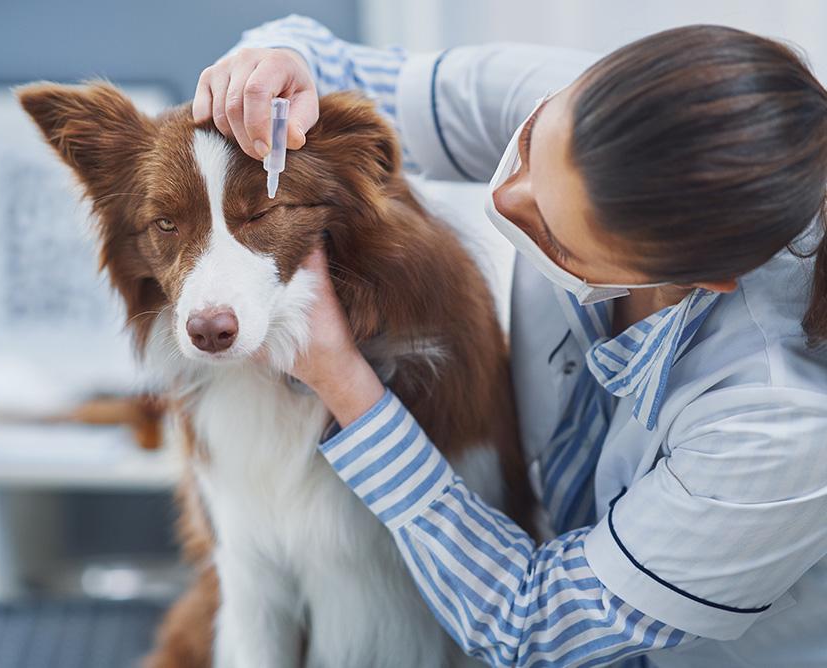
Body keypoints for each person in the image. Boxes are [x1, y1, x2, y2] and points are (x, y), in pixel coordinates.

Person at [193, 15, 827, 667]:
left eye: (551, 231)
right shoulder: (587, 109)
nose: (504, 195)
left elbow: (533, 625)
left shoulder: (780, 423)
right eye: (529, 143)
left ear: (698, 280)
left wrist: (347, 387)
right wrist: (268, 65)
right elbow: (326, 70)